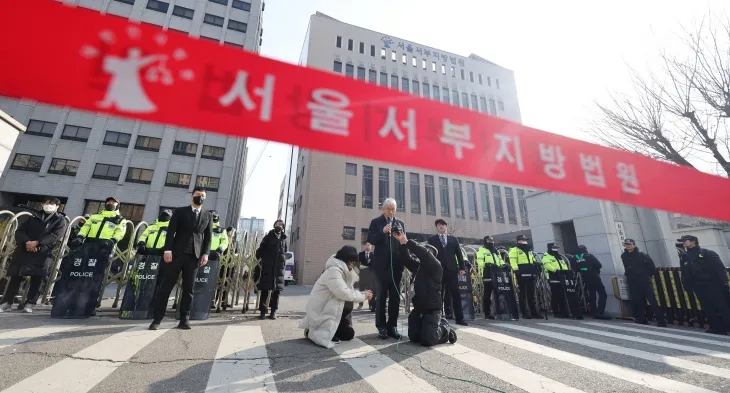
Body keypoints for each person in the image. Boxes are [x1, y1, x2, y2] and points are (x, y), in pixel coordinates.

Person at [149, 187, 212, 330]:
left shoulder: (207, 216)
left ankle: (184, 319)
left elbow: (208, 237)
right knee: (166, 287)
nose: (200, 198)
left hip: (194, 257)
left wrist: (205, 253)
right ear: (192, 196)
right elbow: (171, 232)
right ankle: (157, 319)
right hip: (176, 254)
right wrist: (168, 250)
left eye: (202, 196)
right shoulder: (180, 211)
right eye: (197, 195)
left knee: (188, 289)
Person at [0, 197, 67, 313]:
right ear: (42, 204)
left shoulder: (60, 220)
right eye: (47, 203)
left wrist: (38, 243)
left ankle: (30, 303)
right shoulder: (33, 217)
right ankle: (7, 302)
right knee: (16, 276)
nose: (49, 205)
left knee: (37, 279)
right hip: (24, 250)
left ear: (57, 207)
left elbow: (55, 236)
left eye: (52, 204)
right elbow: (20, 231)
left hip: (42, 252)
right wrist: (27, 242)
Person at [300, 245, 373, 348]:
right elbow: (343, 293)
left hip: (334, 309)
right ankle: (310, 330)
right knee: (346, 300)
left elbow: (350, 288)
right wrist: (363, 296)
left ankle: (333, 330)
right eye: (351, 262)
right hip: (323, 310)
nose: (352, 265)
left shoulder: (344, 271)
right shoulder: (334, 271)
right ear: (346, 260)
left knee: (349, 334)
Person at [393, 231, 457, 346]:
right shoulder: (418, 267)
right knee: (414, 338)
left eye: (428, 252)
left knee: (428, 340)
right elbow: (405, 258)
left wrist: (408, 241)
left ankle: (445, 329)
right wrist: (402, 243)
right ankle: (428, 328)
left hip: (432, 310)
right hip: (418, 309)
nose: (420, 256)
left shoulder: (437, 267)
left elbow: (425, 254)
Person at [366, 197, 406, 339]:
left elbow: (403, 243)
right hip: (381, 267)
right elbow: (371, 240)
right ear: (383, 209)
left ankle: (392, 326)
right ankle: (381, 327)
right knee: (381, 297)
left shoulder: (400, 223)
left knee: (395, 298)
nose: (391, 211)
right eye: (388, 208)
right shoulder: (376, 222)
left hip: (396, 267)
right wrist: (382, 231)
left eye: (393, 209)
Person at [678, 235, 730, 335]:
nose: (683, 243)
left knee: (722, 307)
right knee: (707, 308)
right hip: (698, 287)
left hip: (713, 286)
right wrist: (686, 284)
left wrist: (724, 283)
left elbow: (719, 269)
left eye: (685, 241)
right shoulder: (684, 256)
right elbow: (685, 272)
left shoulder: (707, 253)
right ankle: (716, 327)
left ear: (693, 241)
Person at [427, 219, 468, 326]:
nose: (441, 227)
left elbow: (459, 254)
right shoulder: (432, 239)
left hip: (452, 270)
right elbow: (429, 255)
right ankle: (437, 318)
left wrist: (462, 268)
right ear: (437, 227)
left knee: (456, 294)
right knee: (438, 294)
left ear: (446, 227)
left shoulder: (453, 239)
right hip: (437, 270)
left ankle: (460, 318)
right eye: (439, 225)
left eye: (443, 225)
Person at [621, 238, 667, 327]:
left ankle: (661, 320)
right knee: (638, 301)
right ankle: (641, 319)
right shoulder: (623, 256)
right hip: (632, 282)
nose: (628, 246)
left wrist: (646, 276)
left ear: (634, 245)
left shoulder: (642, 255)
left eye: (629, 244)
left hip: (644, 281)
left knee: (652, 301)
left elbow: (652, 268)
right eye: (626, 244)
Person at [255, 219, 287, 320]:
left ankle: (273, 312)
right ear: (274, 225)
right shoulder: (268, 237)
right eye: (277, 224)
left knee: (276, 291)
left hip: (278, 269)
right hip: (268, 267)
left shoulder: (284, 239)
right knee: (265, 289)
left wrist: (283, 264)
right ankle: (263, 312)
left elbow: (284, 252)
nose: (279, 226)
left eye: (281, 225)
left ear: (283, 227)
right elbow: (261, 250)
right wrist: (260, 260)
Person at [542, 243, 582, 319]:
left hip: (562, 278)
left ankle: (564, 312)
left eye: (556, 247)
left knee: (562, 296)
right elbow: (547, 265)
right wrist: (556, 271)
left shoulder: (559, 257)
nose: (556, 249)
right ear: (550, 248)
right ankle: (556, 312)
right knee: (555, 296)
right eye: (554, 247)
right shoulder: (546, 256)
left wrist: (566, 272)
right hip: (553, 278)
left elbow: (564, 265)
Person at [508, 235, 541, 319]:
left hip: (531, 273)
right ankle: (524, 313)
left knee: (531, 294)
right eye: (523, 240)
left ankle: (534, 312)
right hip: (521, 274)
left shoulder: (528, 250)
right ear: (518, 241)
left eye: (525, 240)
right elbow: (512, 261)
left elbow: (531, 259)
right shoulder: (514, 250)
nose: (525, 242)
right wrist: (516, 270)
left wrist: (536, 263)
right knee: (522, 294)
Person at [574, 245, 610, 319]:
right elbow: (599, 265)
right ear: (585, 250)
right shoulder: (589, 256)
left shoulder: (575, 258)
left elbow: (575, 268)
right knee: (602, 294)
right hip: (594, 276)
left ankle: (594, 312)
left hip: (585, 278)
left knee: (592, 295)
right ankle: (600, 312)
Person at [476, 236, 505, 319]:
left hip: (497, 273)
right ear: (485, 241)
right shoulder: (481, 250)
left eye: (492, 240)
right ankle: (487, 313)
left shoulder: (496, 251)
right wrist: (487, 264)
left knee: (499, 293)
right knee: (487, 294)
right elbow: (480, 261)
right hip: (487, 273)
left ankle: (500, 311)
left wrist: (503, 265)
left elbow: (500, 260)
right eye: (489, 240)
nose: (491, 242)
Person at [357, 243, 376, 311]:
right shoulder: (360, 254)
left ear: (371, 247)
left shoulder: (373, 255)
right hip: (362, 275)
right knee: (361, 290)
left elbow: (374, 265)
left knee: (370, 290)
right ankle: (360, 304)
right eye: (366, 245)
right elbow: (357, 263)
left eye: (369, 245)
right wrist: (359, 267)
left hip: (370, 276)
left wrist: (367, 267)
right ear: (365, 246)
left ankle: (370, 305)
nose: (367, 246)